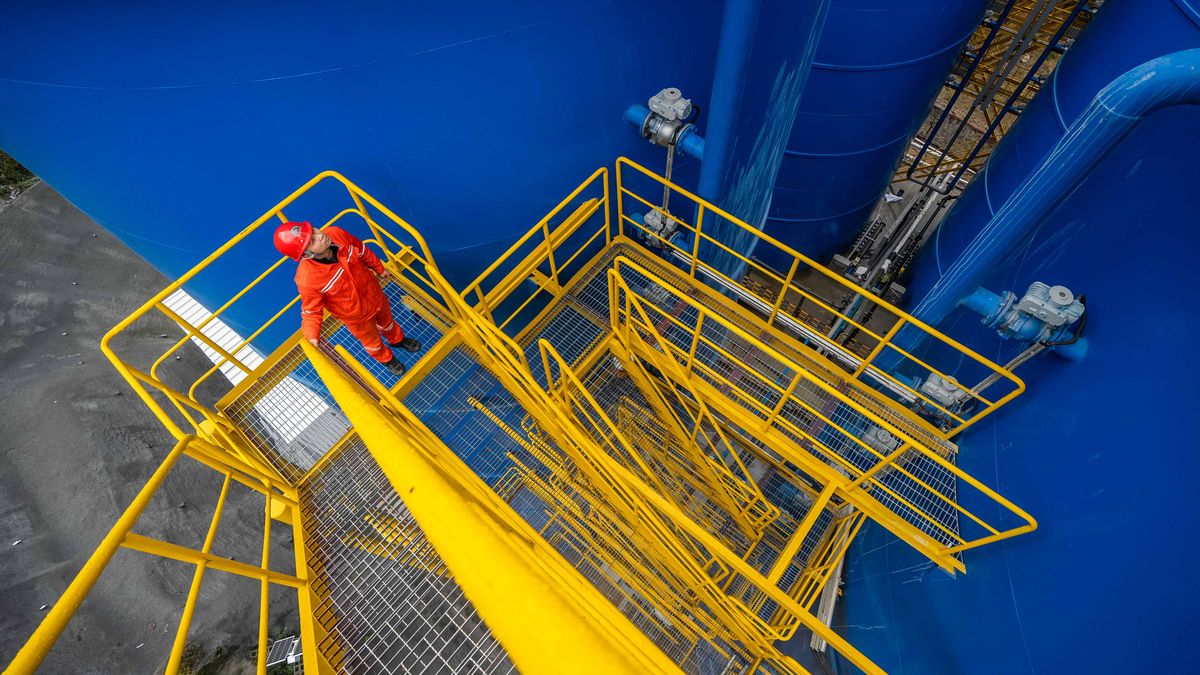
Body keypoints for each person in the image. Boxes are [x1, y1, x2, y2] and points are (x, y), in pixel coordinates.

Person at [273, 221, 420, 376]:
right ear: (306, 255)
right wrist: (312, 335)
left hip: (376, 296)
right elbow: (311, 311)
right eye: (313, 241)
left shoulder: (336, 233)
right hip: (358, 319)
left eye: (314, 230)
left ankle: (397, 340)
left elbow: (362, 250)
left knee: (387, 322)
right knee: (372, 342)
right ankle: (386, 359)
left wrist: (379, 268)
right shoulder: (308, 280)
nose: (320, 235)